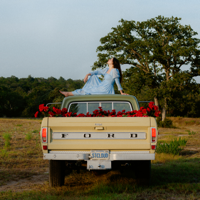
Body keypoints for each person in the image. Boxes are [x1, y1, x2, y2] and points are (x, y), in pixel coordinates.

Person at [59, 57, 129, 97]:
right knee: (93, 76)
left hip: (105, 89)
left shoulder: (114, 71)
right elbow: (97, 72)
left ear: (113, 63)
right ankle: (70, 93)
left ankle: (68, 93)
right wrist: (87, 74)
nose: (109, 59)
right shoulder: (107, 69)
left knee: (86, 91)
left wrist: (121, 92)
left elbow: (117, 82)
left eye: (111, 59)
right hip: (101, 85)